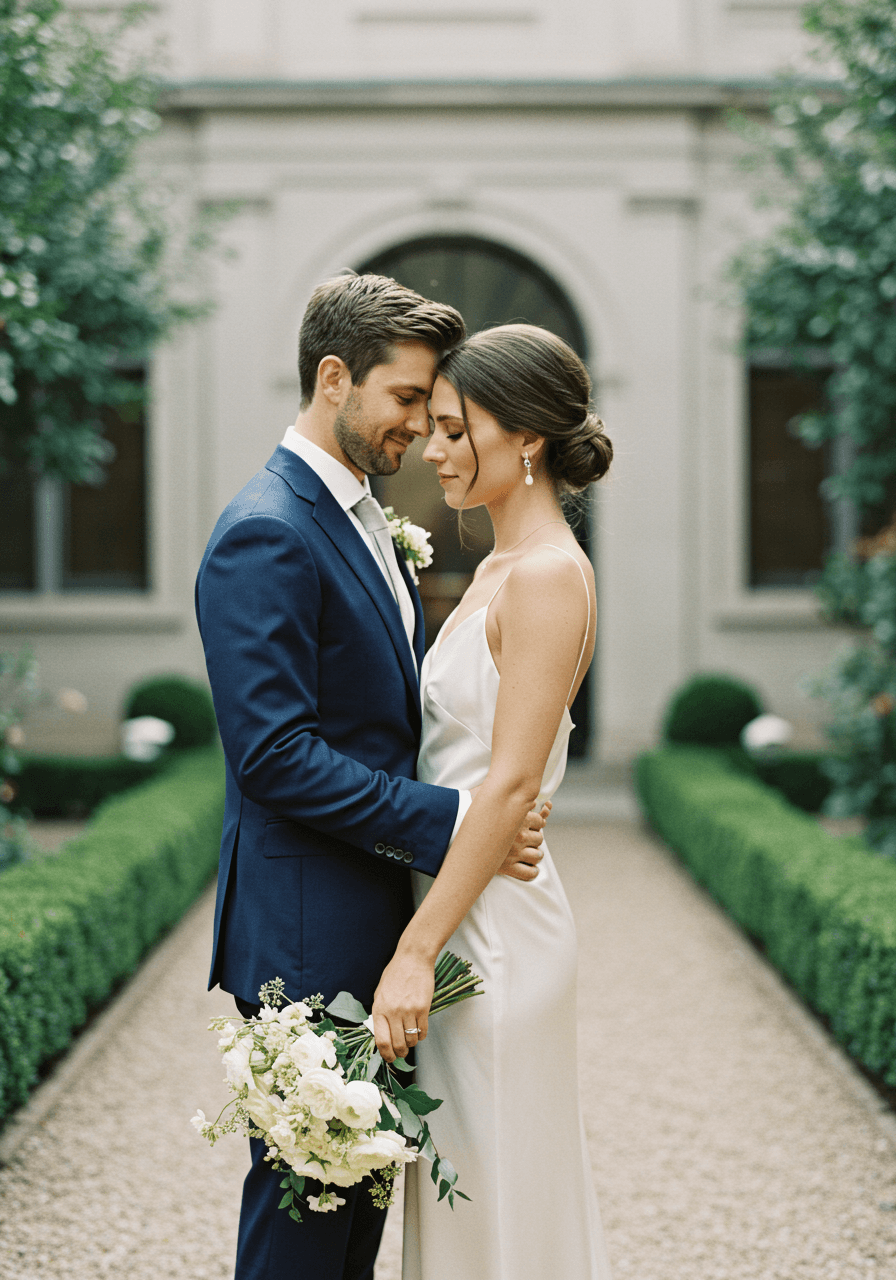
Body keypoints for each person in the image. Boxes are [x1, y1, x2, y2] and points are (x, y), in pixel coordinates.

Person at [194, 273, 550, 1280]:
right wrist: (453, 817)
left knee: (356, 1209)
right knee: (305, 1214)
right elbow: (272, 755)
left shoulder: (358, 513)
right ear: (333, 377)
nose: (419, 428)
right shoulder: (265, 527)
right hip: (309, 926)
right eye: (404, 400)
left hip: (371, 908)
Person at [370, 323, 615, 1279]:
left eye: (452, 430)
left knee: (504, 1188)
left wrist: (414, 951)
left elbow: (512, 782)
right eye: (429, 428)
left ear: (527, 441)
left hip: (496, 930)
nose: (431, 451)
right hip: (458, 898)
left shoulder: (550, 575)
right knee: (463, 1190)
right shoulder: (493, 570)